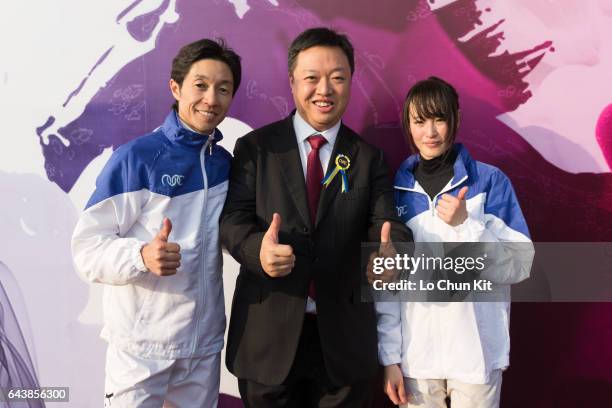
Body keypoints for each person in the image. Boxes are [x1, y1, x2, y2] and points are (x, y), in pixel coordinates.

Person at [220, 27, 411, 407]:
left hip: (342, 347)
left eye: (337, 78)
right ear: (292, 82)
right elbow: (232, 223)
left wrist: (390, 255)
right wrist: (259, 250)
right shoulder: (256, 148)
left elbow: (390, 226)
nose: (324, 89)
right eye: (312, 78)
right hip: (267, 343)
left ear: (351, 82)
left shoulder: (368, 158)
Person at [71, 38, 241, 407]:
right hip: (139, 351)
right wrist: (140, 257)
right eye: (200, 85)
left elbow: (231, 233)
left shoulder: (225, 164)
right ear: (176, 87)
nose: (211, 99)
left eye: (223, 89)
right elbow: (87, 248)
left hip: (203, 349)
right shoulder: (136, 158)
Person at [376, 76, 534, 407]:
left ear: (456, 119)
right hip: (417, 360)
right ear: (408, 124)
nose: (430, 132)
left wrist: (468, 225)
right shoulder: (392, 192)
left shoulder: (489, 182)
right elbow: (386, 286)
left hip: (476, 356)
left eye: (439, 119)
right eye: (419, 121)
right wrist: (390, 357)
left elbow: (520, 265)